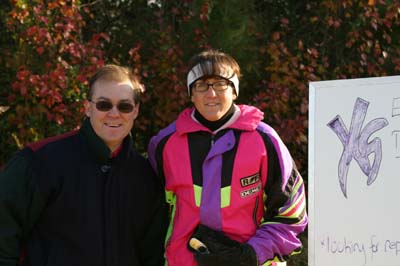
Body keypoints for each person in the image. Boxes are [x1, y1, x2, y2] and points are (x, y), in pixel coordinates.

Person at [147, 49, 308, 266]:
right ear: (191, 94)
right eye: (201, 85)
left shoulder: (265, 140)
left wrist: (251, 254)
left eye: (220, 83)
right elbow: (149, 213)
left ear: (234, 91)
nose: (210, 94)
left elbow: (291, 211)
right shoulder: (164, 145)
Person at [0, 64, 167, 266]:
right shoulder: (39, 161)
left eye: (124, 106)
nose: (114, 114)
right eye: (104, 105)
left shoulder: (146, 177)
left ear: (136, 111)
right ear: (88, 108)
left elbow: (152, 255)